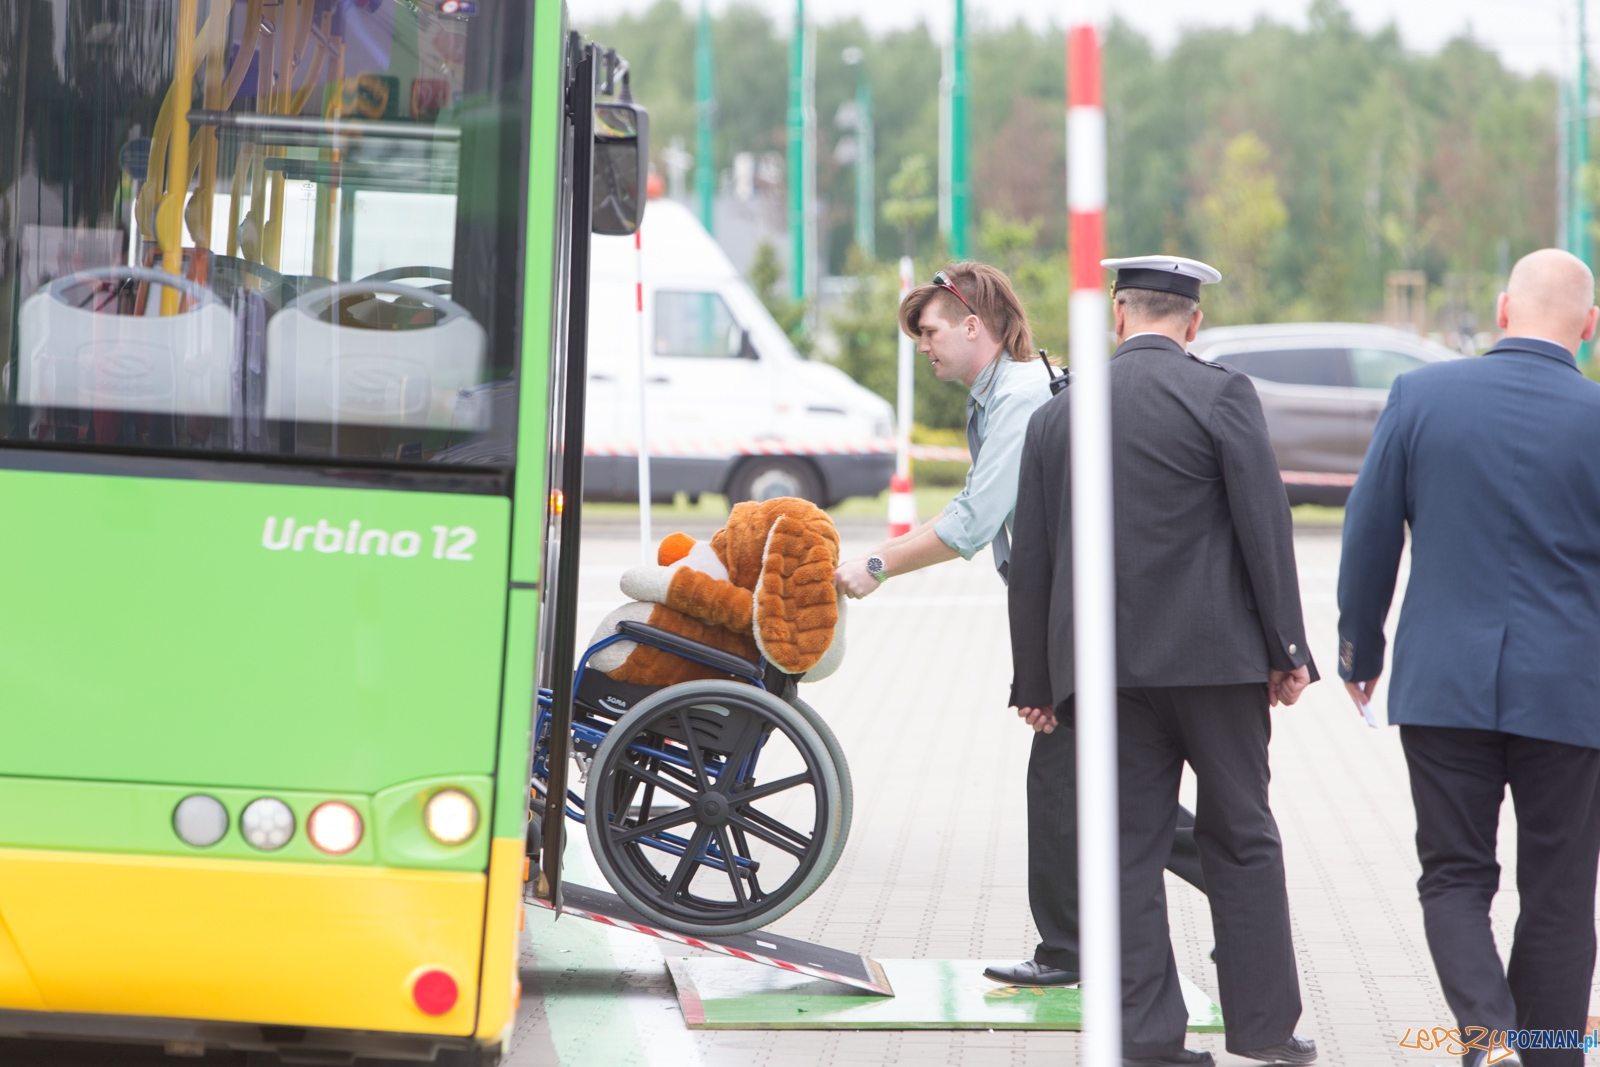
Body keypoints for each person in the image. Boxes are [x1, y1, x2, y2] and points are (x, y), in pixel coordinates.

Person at [1007, 256, 1318, 1067]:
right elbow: (1265, 526)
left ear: (1117, 315)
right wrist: (1288, 649)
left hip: (1104, 674)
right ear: (1193, 322)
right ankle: (1266, 1029)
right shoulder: (1221, 395)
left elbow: (1033, 555)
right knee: (1242, 835)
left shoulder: (1058, 416)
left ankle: (1147, 1041)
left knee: (1122, 854)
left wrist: (1035, 681)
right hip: (1219, 667)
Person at [1338, 248, 1600, 1067]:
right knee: (1561, 892)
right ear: (1590, 327)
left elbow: (1369, 531)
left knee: (1454, 874)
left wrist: (1359, 648)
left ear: (1501, 310)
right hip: (1571, 692)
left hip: (1444, 685)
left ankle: (1487, 1035)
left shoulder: (1421, 396)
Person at [834, 262, 1052, 594]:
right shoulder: (1003, 392)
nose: (922, 346)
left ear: (971, 327)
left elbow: (974, 521)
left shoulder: (1018, 397)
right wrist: (875, 554)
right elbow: (968, 502)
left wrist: (876, 568)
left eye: (930, 332)